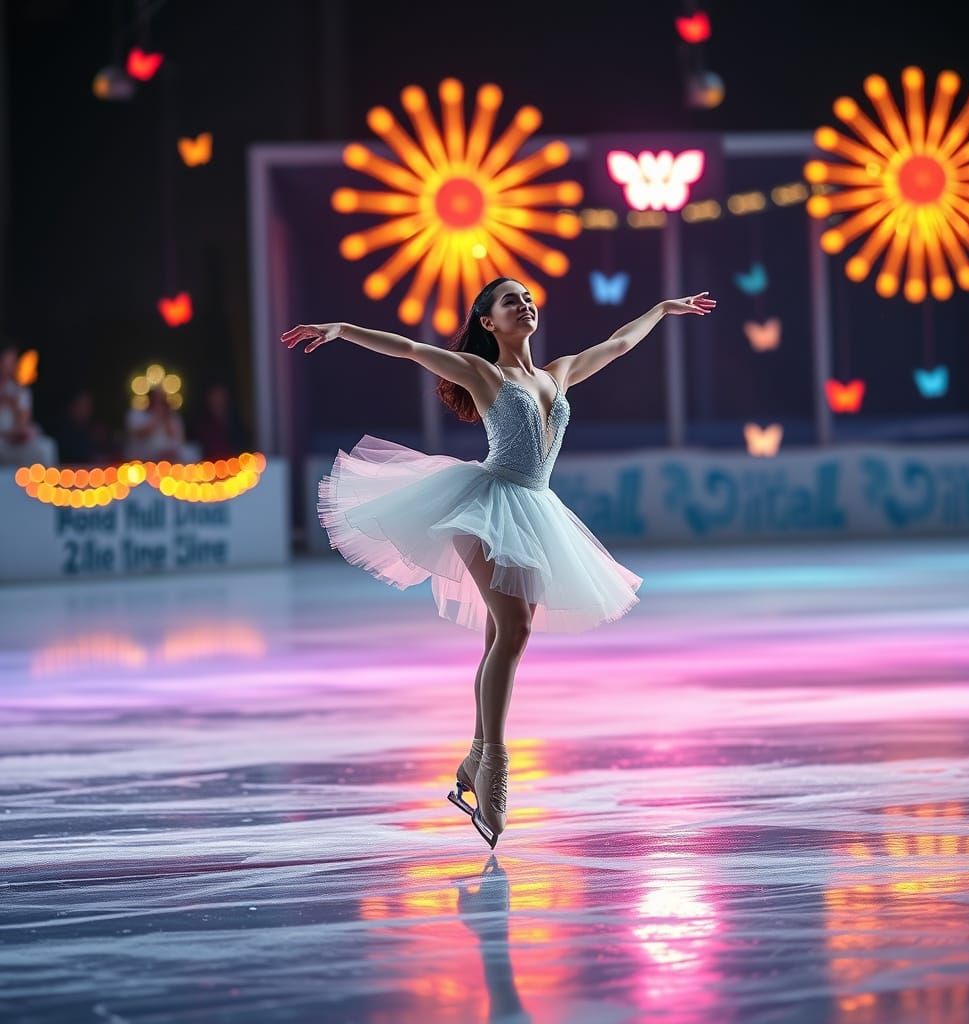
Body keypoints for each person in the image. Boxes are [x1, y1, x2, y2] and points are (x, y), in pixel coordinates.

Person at [281, 278, 716, 848]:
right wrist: (342, 330)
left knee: (500, 638)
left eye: (528, 297)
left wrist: (659, 308)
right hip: (484, 505)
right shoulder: (484, 373)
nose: (524, 304)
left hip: (537, 510)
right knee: (514, 628)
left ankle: (475, 758)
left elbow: (618, 345)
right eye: (510, 300)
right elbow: (411, 349)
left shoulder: (555, 374)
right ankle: (494, 767)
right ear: (489, 322)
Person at [0, 345, 58, 467]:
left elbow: (23, 422)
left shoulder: (19, 390)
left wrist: (14, 403)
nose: (12, 364)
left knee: (46, 446)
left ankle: (47, 483)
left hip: (13, 441)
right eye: (8, 360)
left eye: (13, 360)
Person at [124, 387, 187, 462]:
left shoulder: (172, 417)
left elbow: (178, 438)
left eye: (161, 400)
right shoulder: (136, 414)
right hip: (143, 456)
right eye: (155, 399)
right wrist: (157, 416)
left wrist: (166, 418)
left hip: (169, 456)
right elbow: (140, 434)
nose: (158, 403)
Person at [194, 383, 248, 461]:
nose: (218, 400)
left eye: (220, 396)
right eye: (215, 396)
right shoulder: (203, 424)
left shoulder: (235, 421)